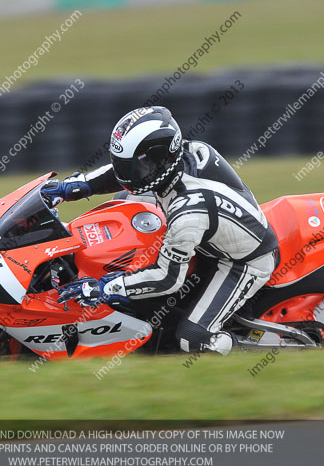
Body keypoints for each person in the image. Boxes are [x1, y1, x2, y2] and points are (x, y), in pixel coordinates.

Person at [43, 106, 278, 355]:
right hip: (213, 232)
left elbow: (168, 278)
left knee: (193, 339)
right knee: (125, 199)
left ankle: (251, 350)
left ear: (161, 162)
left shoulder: (187, 214)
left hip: (243, 261)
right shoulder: (180, 156)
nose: (127, 175)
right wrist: (75, 186)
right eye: (123, 165)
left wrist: (105, 288)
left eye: (135, 168)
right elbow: (125, 175)